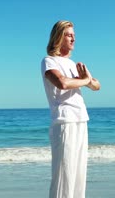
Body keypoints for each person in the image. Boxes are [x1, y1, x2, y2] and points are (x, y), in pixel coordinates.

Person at [41, 20, 101, 198]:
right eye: (68, 35)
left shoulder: (73, 64)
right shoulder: (49, 61)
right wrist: (84, 81)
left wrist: (87, 80)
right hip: (64, 121)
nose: (73, 38)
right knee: (64, 176)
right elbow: (62, 83)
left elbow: (97, 85)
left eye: (74, 35)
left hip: (81, 119)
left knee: (78, 176)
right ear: (58, 37)